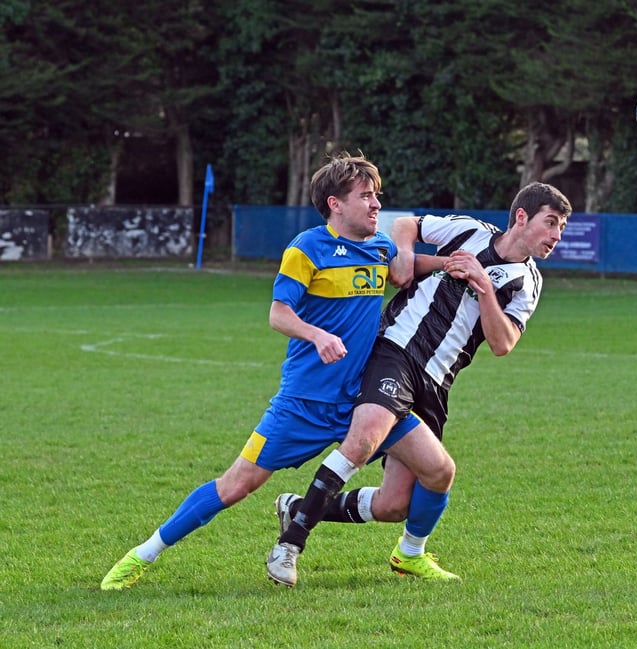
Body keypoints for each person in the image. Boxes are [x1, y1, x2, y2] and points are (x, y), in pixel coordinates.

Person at [100, 152, 429, 590]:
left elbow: (406, 269)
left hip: (366, 402)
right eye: (365, 196)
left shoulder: (379, 247)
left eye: (377, 197)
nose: (376, 205)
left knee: (437, 468)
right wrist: (317, 335)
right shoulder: (306, 248)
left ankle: (413, 555)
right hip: (304, 403)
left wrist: (463, 266)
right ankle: (142, 554)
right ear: (335, 204)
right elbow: (278, 314)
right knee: (236, 485)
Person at [266, 181, 572, 587]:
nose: (556, 236)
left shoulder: (527, 283)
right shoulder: (470, 231)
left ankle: (399, 550)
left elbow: (503, 343)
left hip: (436, 381)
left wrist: (482, 286)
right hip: (395, 351)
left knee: (413, 492)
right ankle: (290, 544)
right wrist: (407, 256)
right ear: (521, 216)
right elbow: (407, 225)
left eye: (562, 228)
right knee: (362, 441)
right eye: (551, 223)